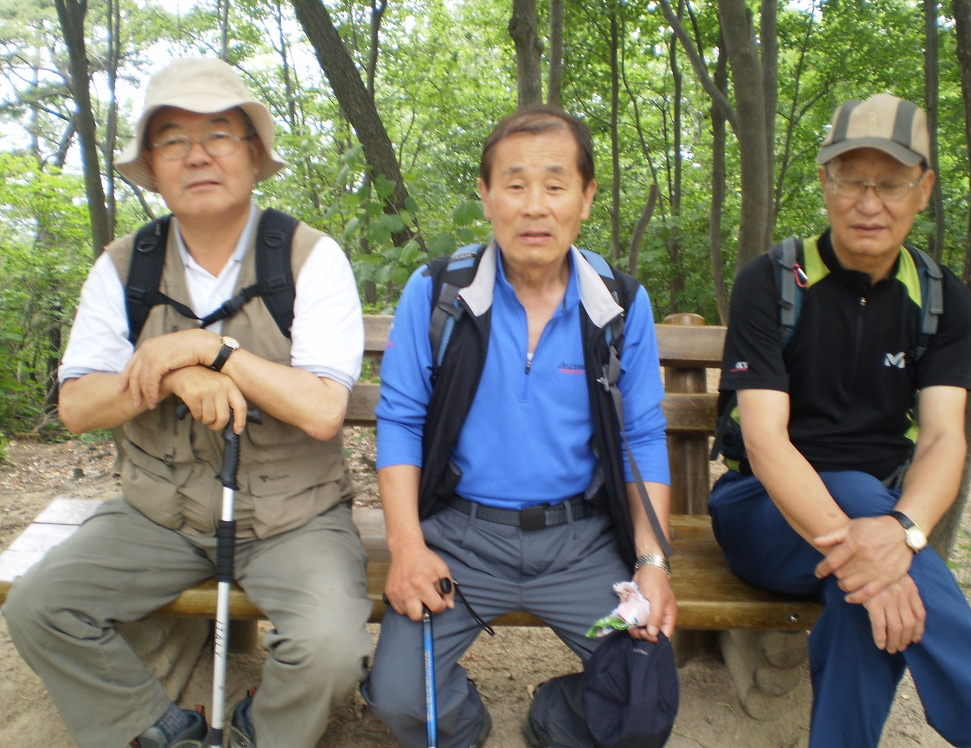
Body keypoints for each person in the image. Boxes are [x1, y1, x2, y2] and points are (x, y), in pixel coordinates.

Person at [3, 57, 372, 748]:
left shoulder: (309, 259)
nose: (197, 156)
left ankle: (256, 733)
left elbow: (324, 409)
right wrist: (171, 376)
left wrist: (211, 351)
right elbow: (77, 406)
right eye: (173, 140)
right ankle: (161, 731)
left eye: (219, 135)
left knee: (328, 650)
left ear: (254, 154)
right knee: (39, 607)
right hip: (157, 517)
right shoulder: (125, 267)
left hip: (293, 520)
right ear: (152, 164)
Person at [708, 93, 971, 748]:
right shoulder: (772, 281)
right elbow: (764, 440)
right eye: (852, 180)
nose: (869, 202)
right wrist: (880, 542)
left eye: (891, 183)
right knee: (860, 510)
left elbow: (944, 437)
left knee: (865, 594)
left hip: (878, 518)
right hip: (760, 512)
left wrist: (898, 536)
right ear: (826, 182)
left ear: (924, 189)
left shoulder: (941, 297)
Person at [362, 106, 676, 748]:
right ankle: (466, 726)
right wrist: (407, 547)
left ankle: (552, 716)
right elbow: (400, 419)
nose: (535, 206)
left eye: (555, 185)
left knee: (642, 707)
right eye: (514, 184)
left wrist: (652, 562)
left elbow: (642, 436)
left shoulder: (617, 304)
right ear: (486, 196)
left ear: (585, 197)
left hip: (581, 541)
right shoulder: (439, 292)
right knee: (401, 700)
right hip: (460, 537)